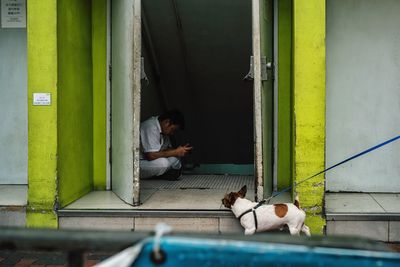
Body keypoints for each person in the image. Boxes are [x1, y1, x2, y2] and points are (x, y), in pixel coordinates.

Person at [139, 109, 192, 180]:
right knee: (163, 163)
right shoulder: (150, 127)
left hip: (151, 161)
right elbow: (151, 155)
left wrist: (179, 150)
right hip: (139, 163)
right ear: (167, 122)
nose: (172, 133)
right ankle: (162, 175)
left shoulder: (164, 130)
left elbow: (166, 149)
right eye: (172, 129)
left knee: (175, 159)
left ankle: (164, 173)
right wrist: (175, 152)